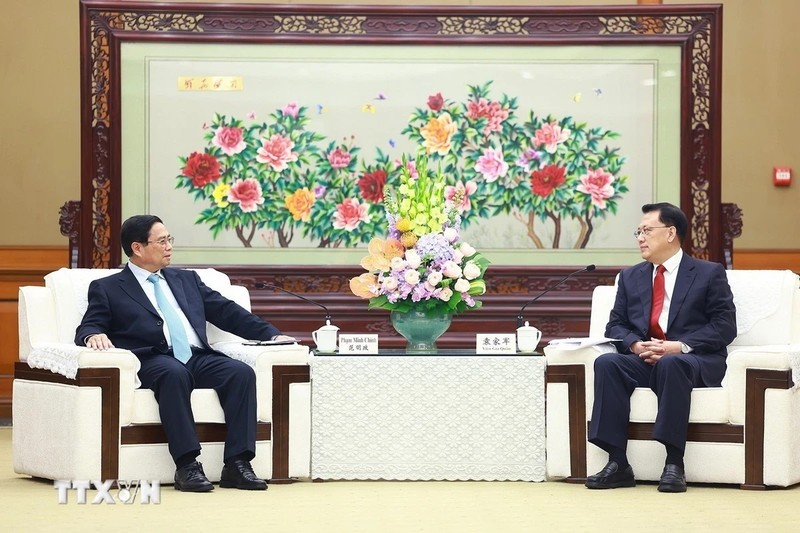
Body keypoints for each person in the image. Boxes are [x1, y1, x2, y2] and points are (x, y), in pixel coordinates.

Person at [75, 215, 295, 492]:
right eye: (162, 241)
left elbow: (227, 312)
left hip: (196, 356)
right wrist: (93, 334)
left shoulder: (187, 279)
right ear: (137, 248)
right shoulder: (109, 287)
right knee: (174, 374)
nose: (169, 247)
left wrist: (271, 334)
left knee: (240, 373)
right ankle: (187, 465)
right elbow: (90, 323)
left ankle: (237, 464)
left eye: (170, 240)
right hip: (152, 358)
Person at [585, 202, 736, 493]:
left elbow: (724, 326)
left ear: (670, 233)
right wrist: (636, 344)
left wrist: (679, 346)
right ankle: (618, 463)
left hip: (692, 360)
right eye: (638, 232)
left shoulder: (708, 273)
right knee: (607, 363)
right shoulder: (631, 277)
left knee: (671, 363)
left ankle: (674, 463)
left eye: (646, 230)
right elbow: (615, 325)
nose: (640, 237)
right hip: (646, 358)